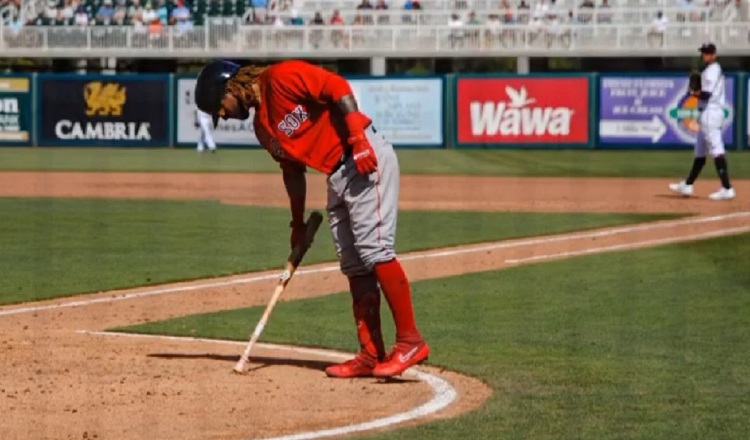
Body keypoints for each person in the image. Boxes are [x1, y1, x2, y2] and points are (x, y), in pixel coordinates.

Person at [193, 60, 430, 378]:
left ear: (229, 87)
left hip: (362, 156)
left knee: (375, 251)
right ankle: (370, 354)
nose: (222, 115)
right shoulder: (262, 128)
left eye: (218, 107)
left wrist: (358, 139)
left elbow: (338, 88)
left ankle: (410, 341)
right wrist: (297, 225)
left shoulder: (282, 76)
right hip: (336, 175)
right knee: (353, 264)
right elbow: (292, 171)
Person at [670, 43, 735, 200]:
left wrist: (693, 92)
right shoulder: (710, 70)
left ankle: (727, 188)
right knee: (700, 152)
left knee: (716, 149)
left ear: (714, 54)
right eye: (704, 53)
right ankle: (688, 185)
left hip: (710, 113)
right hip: (706, 113)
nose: (705, 55)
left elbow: (705, 95)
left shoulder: (712, 71)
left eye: (708, 53)